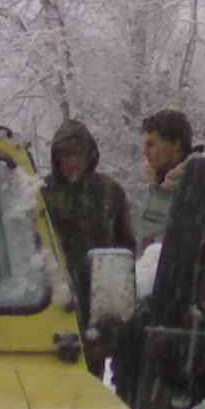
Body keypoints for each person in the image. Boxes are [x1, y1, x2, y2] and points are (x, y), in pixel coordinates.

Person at [39, 119, 135, 330]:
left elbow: (125, 250)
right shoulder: (43, 195)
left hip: (101, 302)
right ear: (57, 158)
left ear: (89, 156)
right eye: (66, 155)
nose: (73, 162)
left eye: (79, 155)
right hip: (53, 302)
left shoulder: (110, 193)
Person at [135, 109, 200, 253]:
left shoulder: (197, 189)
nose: (145, 152)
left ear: (176, 143)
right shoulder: (152, 189)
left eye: (151, 145)